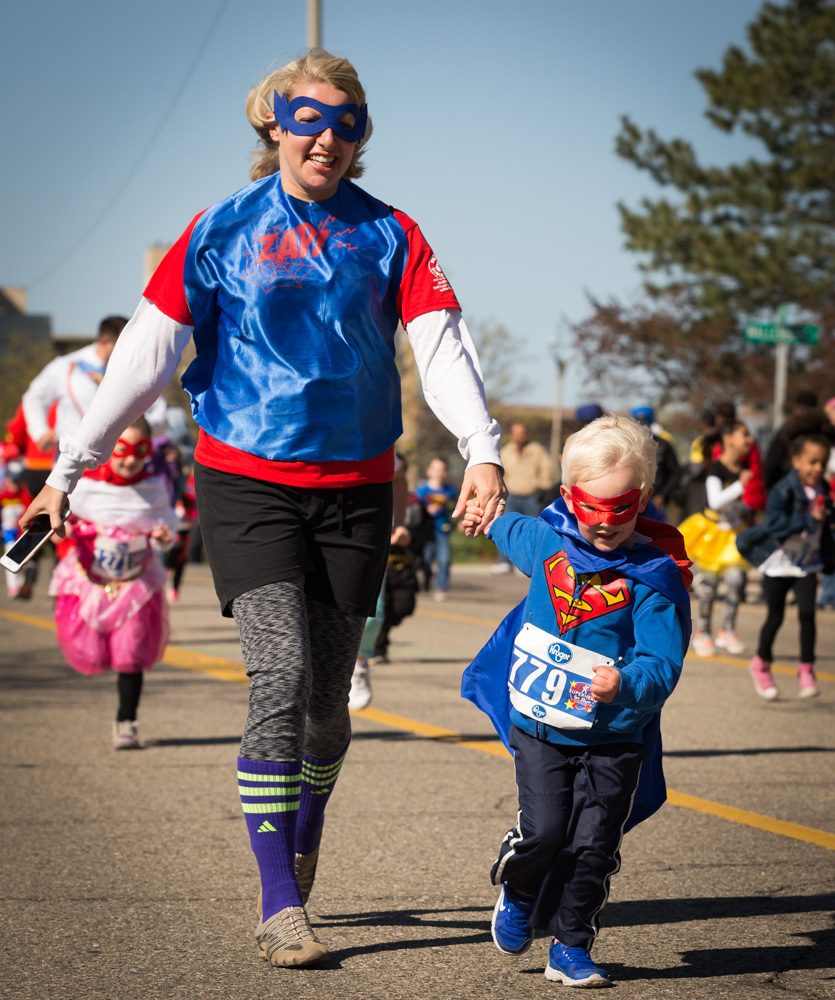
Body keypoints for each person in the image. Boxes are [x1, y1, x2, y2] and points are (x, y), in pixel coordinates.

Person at [20, 50, 505, 970]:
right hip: (246, 480)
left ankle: (301, 832)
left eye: (347, 123)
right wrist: (67, 471)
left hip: (356, 488)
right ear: (274, 124)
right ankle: (279, 903)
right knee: (278, 678)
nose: (327, 139)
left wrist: (481, 447)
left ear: (362, 136)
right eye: (308, 119)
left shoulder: (392, 233)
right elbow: (145, 360)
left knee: (327, 706)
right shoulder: (219, 230)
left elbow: (442, 346)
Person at [461, 415, 690, 988]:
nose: (606, 521)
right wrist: (483, 515)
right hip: (541, 730)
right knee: (544, 832)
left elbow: (663, 663)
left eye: (622, 507)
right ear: (568, 497)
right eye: (592, 507)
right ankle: (520, 889)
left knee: (594, 847)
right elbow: (505, 526)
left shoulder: (653, 579)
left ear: (645, 499)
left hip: (615, 737)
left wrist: (626, 683)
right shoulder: (547, 542)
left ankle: (570, 946)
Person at [48, 417, 178, 747]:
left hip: (135, 587)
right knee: (90, 652)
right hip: (89, 584)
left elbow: (168, 528)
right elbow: (59, 520)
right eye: (122, 450)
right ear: (108, 449)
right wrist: (63, 531)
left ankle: (126, 721)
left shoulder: (153, 488)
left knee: (130, 653)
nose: (130, 459)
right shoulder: (83, 485)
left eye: (140, 451)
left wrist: (163, 537)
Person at [736, 434, 834, 699]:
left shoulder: (824, 488)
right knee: (775, 617)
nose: (818, 468)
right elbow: (775, 525)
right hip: (779, 564)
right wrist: (808, 519)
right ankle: (761, 663)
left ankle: (806, 669)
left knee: (807, 614)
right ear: (797, 461)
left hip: (806, 564)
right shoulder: (783, 489)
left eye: (822, 462)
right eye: (812, 462)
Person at [21, 316, 166, 451]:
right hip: (74, 459)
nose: (130, 350)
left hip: (123, 459)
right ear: (104, 342)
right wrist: (40, 432)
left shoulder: (135, 370)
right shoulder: (67, 366)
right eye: (124, 345)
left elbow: (159, 414)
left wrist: (132, 426)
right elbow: (34, 398)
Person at [678, 421, 753, 656]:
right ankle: (703, 632)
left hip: (733, 533)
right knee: (709, 587)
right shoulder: (716, 469)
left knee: (736, 581)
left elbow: (737, 502)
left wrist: (744, 509)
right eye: (744, 434)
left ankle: (728, 630)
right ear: (728, 440)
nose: (750, 439)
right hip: (711, 534)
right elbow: (716, 501)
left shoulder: (744, 467)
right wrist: (741, 484)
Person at [492, 422, 554, 574]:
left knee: (536, 529)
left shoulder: (536, 450)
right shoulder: (505, 452)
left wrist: (543, 487)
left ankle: (532, 562)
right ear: (511, 435)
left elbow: (546, 469)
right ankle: (504, 563)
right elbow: (499, 473)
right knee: (505, 527)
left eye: (523, 432)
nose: (520, 436)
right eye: (517, 433)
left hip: (532, 495)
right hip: (511, 495)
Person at [415, 457, 459, 600]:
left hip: (443, 530)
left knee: (444, 560)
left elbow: (458, 506)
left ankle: (442, 588)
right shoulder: (421, 490)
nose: (439, 472)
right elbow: (413, 508)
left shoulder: (450, 491)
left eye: (442, 469)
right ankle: (427, 576)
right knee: (426, 559)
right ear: (429, 471)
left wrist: (460, 521)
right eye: (435, 468)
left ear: (446, 472)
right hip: (425, 531)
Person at [630, 406, 681, 517]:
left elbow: (676, 472)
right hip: (633, 504)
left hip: (657, 504)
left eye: (645, 419)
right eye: (638, 420)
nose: (642, 424)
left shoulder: (663, 445)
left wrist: (663, 495)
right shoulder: (628, 446)